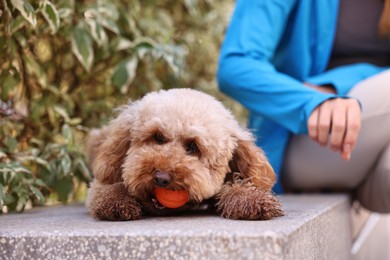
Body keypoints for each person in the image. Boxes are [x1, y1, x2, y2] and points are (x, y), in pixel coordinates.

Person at [217, 0, 390, 213]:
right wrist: (310, 101)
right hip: (296, 138)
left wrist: (336, 83)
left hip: (373, 153)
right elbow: (236, 65)